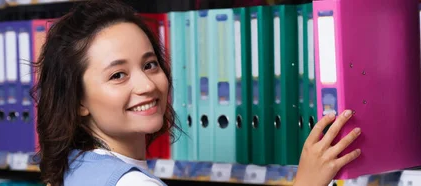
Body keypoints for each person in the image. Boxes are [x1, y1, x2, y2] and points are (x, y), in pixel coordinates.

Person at [32, 0, 362, 186]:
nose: (147, 85)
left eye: (149, 65)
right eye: (118, 75)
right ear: (77, 102)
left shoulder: (73, 169)